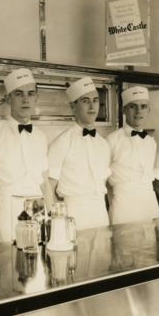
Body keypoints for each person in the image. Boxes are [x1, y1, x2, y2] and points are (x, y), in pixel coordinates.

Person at [0, 68, 56, 242]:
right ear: (8, 99)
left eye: (31, 94)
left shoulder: (40, 136)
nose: (26, 99)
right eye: (19, 94)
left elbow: (45, 183)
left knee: (39, 261)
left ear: (36, 98)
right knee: (10, 263)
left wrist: (54, 219)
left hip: (39, 209)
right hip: (8, 209)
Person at [47, 77, 112, 230]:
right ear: (73, 107)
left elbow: (102, 182)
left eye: (95, 100)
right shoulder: (61, 143)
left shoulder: (103, 144)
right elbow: (48, 188)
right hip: (73, 214)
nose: (92, 106)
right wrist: (56, 222)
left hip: (101, 213)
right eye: (85, 101)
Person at [106, 86, 159, 225]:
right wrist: (112, 203)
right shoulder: (111, 140)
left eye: (143, 106)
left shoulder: (151, 142)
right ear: (123, 109)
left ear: (148, 109)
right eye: (132, 106)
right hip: (123, 205)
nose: (138, 111)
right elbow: (103, 179)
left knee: (150, 245)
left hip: (149, 204)